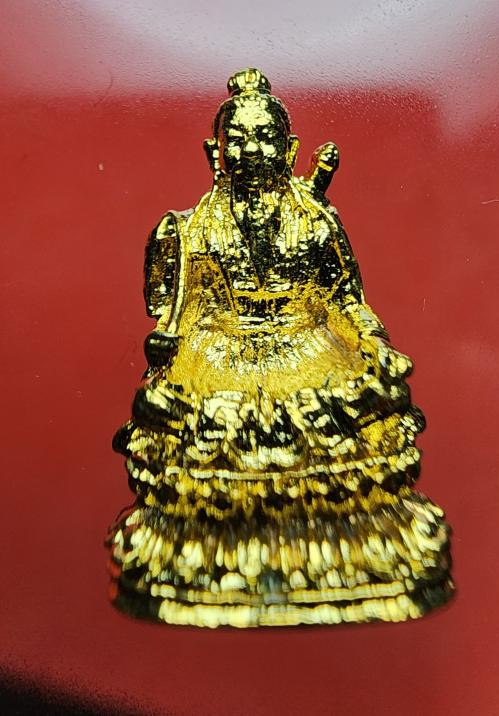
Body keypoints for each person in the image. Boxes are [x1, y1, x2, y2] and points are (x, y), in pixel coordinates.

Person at [108, 68, 452, 627]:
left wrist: (377, 346)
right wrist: (165, 356)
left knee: (378, 403)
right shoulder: (187, 231)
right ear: (215, 152)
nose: (251, 151)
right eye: (238, 140)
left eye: (265, 138)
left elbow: (347, 301)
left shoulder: (317, 221)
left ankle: (348, 529)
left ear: (289, 150)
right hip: (218, 355)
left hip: (310, 347)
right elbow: (173, 318)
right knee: (167, 412)